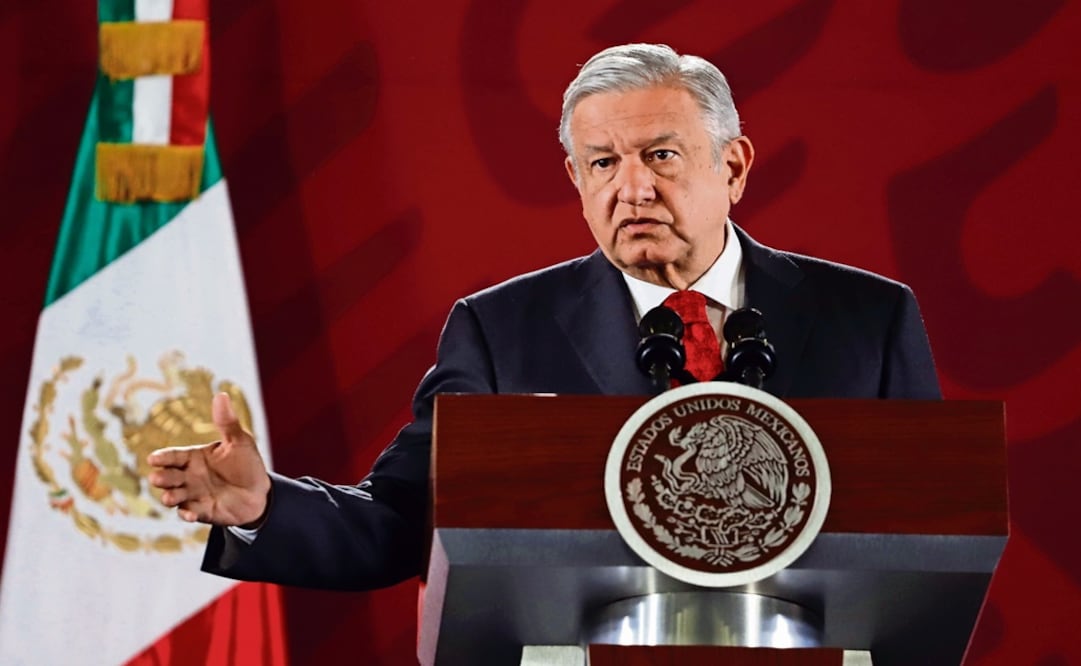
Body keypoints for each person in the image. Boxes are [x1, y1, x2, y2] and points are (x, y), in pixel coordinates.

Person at [148, 43, 940, 591]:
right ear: (575, 178)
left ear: (730, 166)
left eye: (660, 155)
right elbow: (401, 521)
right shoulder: (500, 331)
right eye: (602, 163)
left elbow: (935, 528)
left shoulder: (868, 318)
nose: (631, 188)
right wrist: (264, 507)